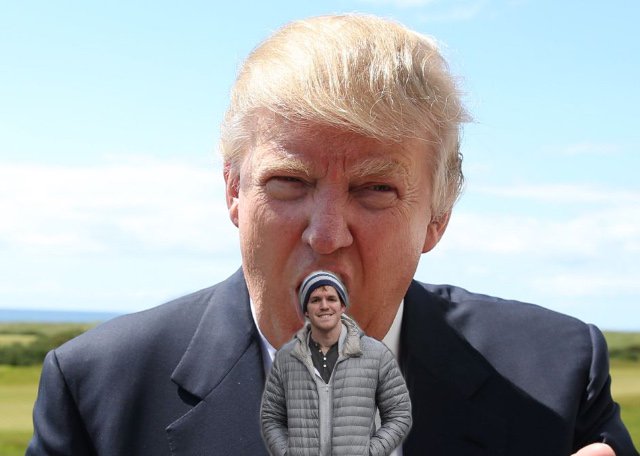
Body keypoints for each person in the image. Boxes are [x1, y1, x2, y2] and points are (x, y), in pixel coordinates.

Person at [27, 13, 638, 456]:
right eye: (290, 182)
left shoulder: (556, 374)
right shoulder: (98, 388)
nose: (326, 235)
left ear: (438, 216)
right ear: (234, 191)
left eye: (375, 189)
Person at [260, 270, 412, 456]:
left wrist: (371, 452)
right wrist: (285, 453)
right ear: (306, 310)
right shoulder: (287, 357)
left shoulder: (376, 354)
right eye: (315, 300)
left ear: (342, 306)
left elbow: (399, 413)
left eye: (331, 299)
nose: (324, 306)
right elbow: (272, 417)